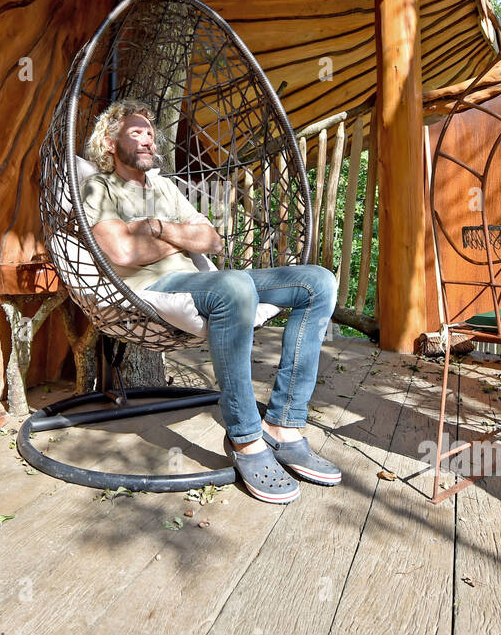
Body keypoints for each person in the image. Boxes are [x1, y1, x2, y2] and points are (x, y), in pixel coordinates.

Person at [80, 99, 340, 504]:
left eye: (150, 132)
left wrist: (156, 227)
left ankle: (284, 426)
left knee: (317, 282)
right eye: (136, 132)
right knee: (233, 285)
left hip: (206, 282)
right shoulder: (100, 187)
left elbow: (213, 241)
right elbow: (122, 254)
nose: (148, 138)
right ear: (111, 142)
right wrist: (179, 237)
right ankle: (244, 437)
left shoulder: (164, 187)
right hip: (153, 290)